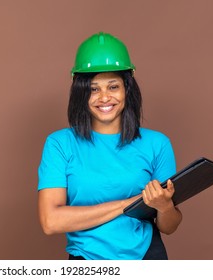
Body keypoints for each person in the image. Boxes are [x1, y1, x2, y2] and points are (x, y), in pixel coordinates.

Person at [37, 32, 183, 260]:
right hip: (87, 261)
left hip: (148, 257)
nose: (104, 97)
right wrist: (130, 203)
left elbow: (169, 226)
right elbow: (51, 221)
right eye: (94, 89)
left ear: (127, 90)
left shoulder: (157, 144)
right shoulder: (59, 144)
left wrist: (164, 207)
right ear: (80, 93)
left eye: (113, 87)